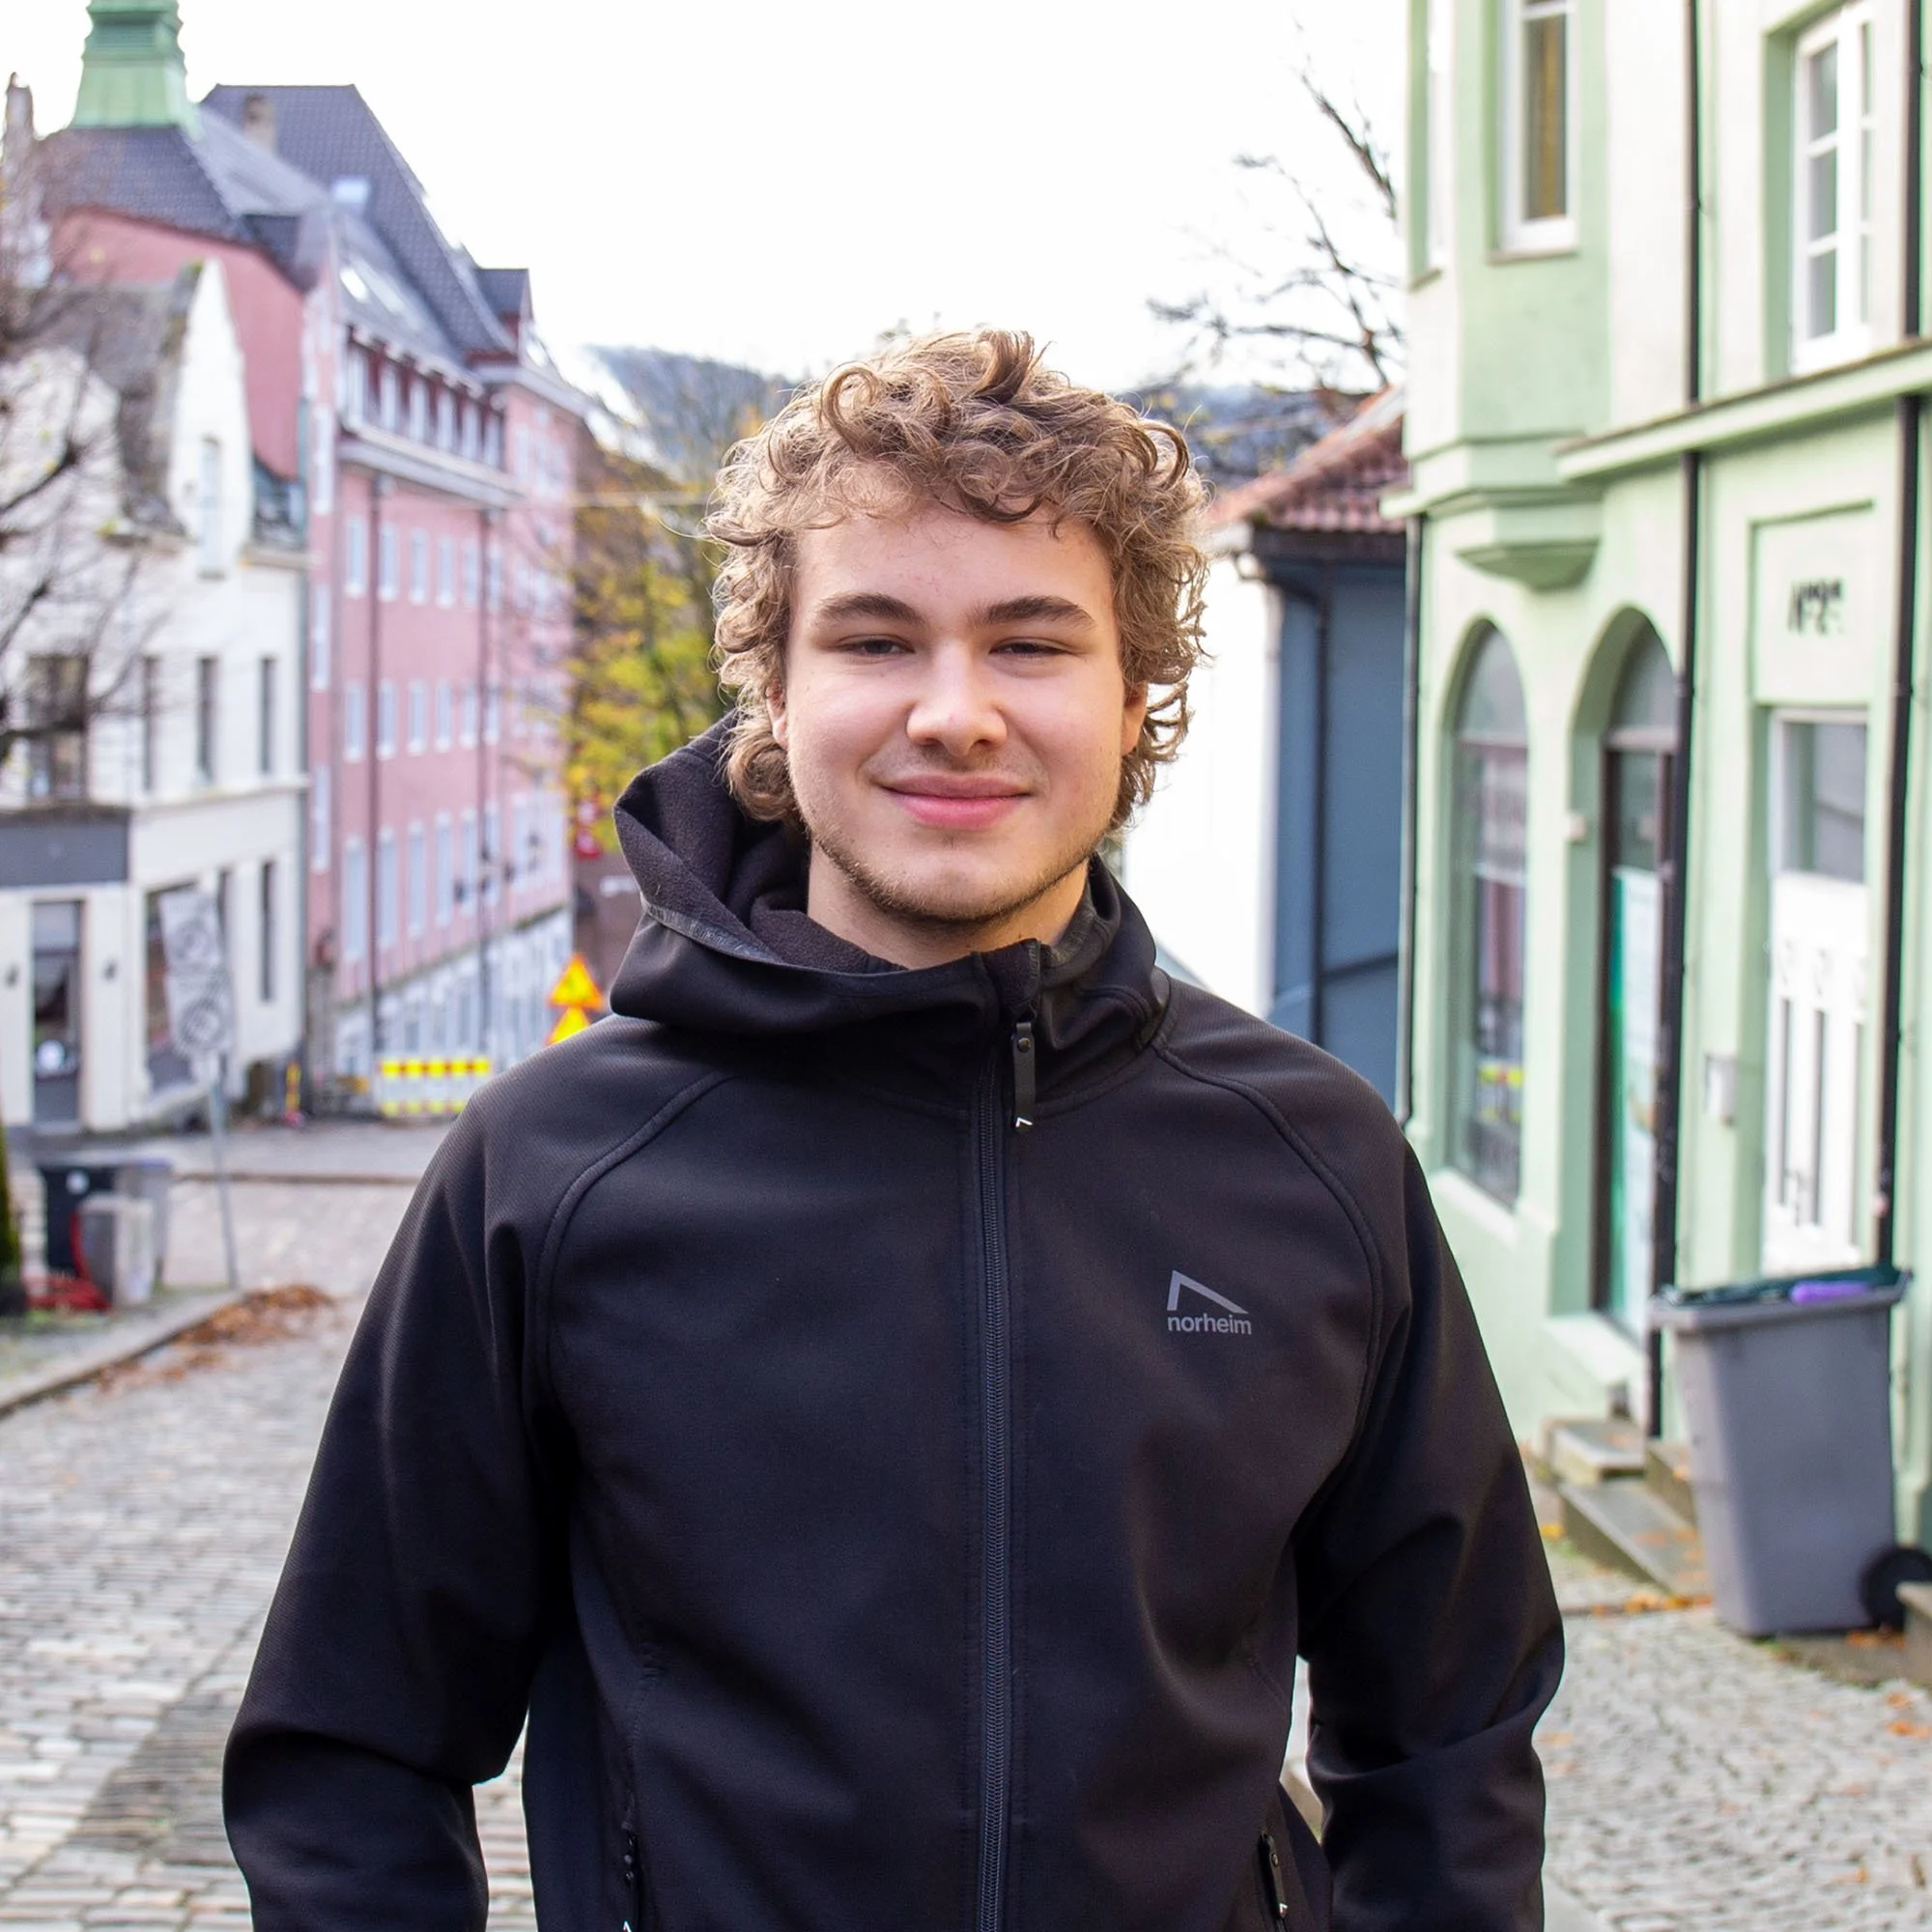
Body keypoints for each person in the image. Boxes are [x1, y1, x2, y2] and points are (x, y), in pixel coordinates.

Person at [225, 330, 1561, 1931]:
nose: (954, 713)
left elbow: (1449, 1742)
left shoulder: (1315, 1163)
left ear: (1137, 698)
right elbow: (354, 1751)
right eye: (875, 640)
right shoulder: (554, 1172)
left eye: (1030, 644)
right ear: (774, 695)